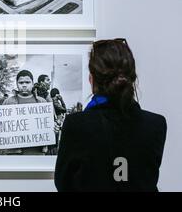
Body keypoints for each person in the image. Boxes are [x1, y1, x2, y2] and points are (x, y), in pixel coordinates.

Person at [55, 38, 167, 192]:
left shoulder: (76, 124)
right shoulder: (156, 124)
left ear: (92, 79)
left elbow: (63, 184)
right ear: (131, 78)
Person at [2, 70, 47, 154]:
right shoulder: (7, 102)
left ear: (33, 83)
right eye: (21, 82)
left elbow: (49, 125)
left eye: (27, 82)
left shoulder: (42, 102)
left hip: (38, 152)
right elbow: (0, 124)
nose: (24, 85)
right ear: (16, 84)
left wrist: (54, 128)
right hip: (14, 153)